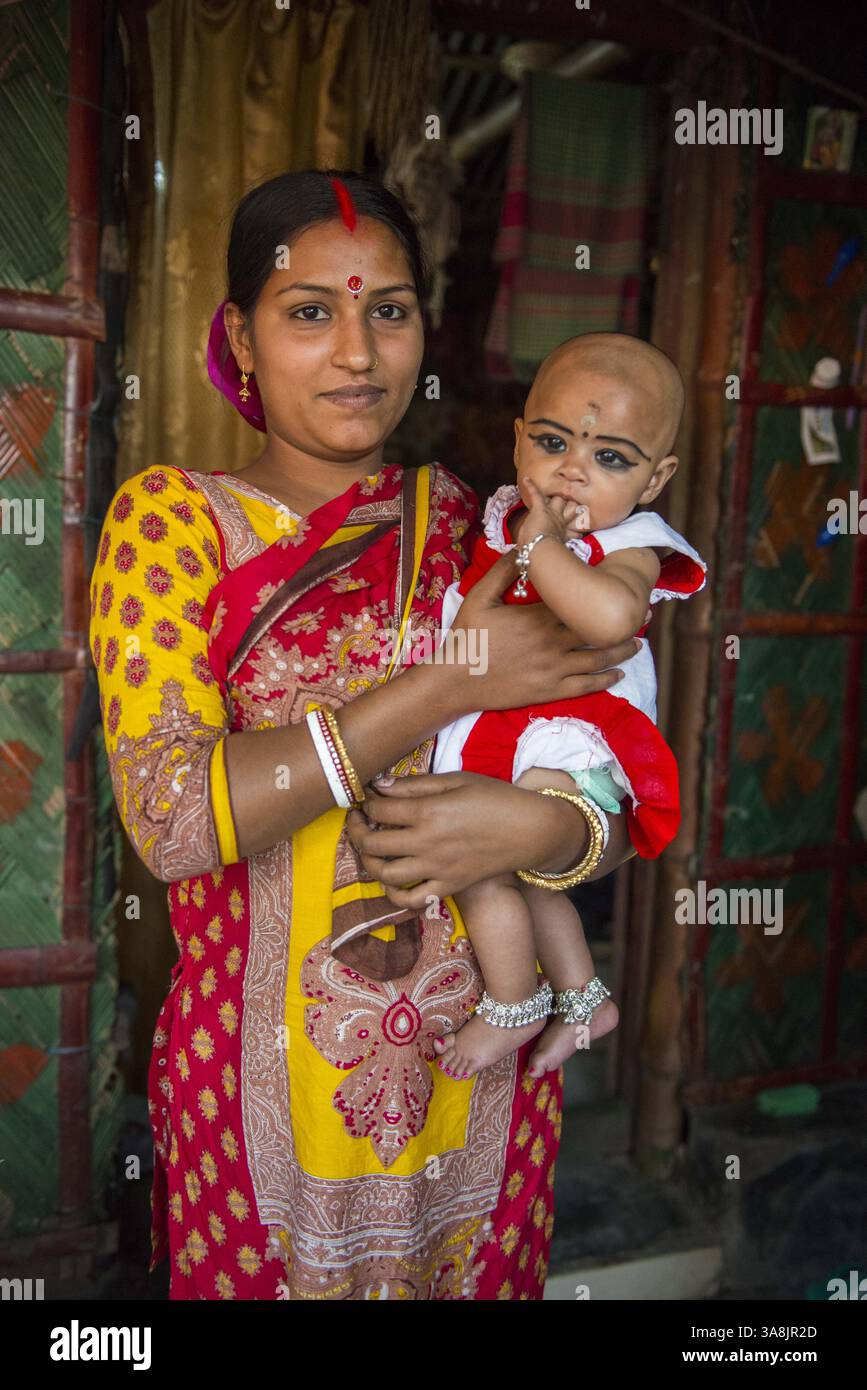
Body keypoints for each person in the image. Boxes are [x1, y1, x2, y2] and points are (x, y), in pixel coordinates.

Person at [89, 169, 639, 1301]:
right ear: (238, 335)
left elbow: (614, 787)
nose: (358, 351)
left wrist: (537, 821)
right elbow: (178, 821)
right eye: (310, 311)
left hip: (479, 1081)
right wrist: (442, 689)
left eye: (388, 309)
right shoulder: (174, 524)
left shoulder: (483, 530)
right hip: (261, 1089)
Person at [430, 334, 707, 1083]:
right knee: (501, 867)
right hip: (494, 721)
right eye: (552, 442)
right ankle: (584, 998)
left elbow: (610, 619)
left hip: (569, 734)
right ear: (518, 440)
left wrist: (541, 546)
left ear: (655, 480)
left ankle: (514, 1001)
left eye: (611, 459)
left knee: (498, 855)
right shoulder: (500, 517)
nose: (572, 470)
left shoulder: (631, 543)